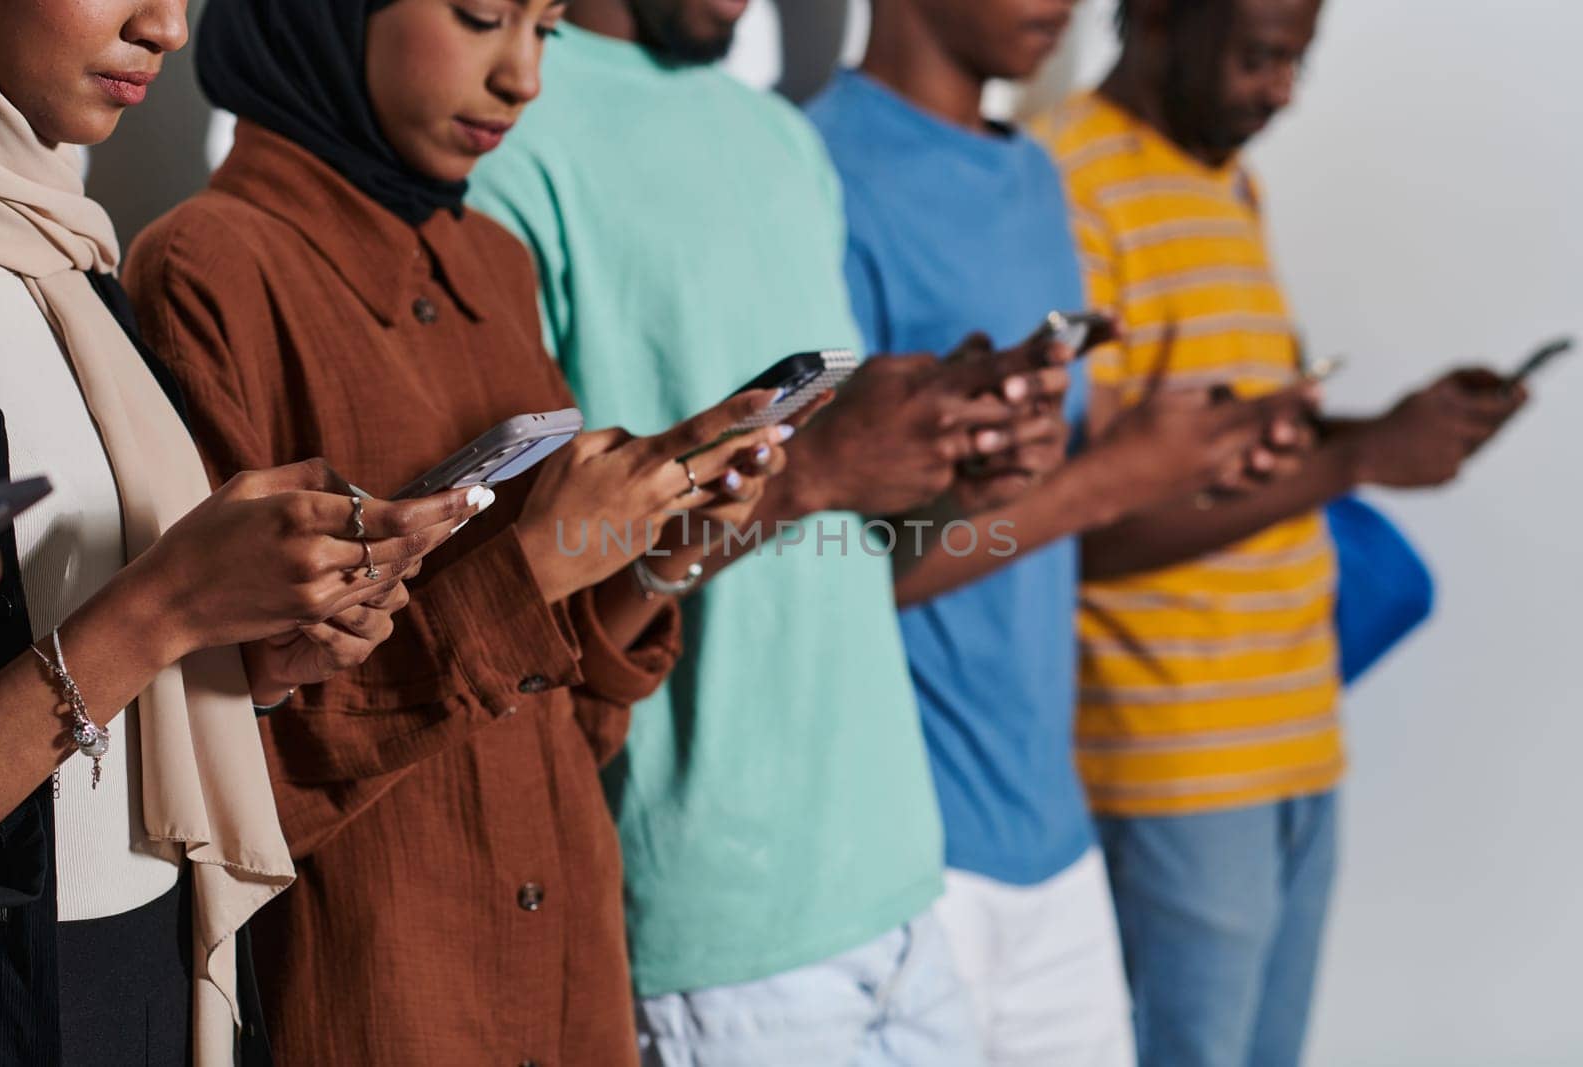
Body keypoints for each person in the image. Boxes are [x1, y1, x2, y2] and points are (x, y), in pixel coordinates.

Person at [124, 1, 795, 1063]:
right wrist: (537, 566)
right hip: (380, 992)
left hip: (571, 979)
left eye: (546, 30)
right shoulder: (206, 269)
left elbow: (563, 717)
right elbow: (216, 762)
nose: (522, 77)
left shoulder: (495, 262)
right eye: (483, 17)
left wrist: (653, 553)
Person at [468, 1, 1073, 1062]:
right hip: (715, 918)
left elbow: (832, 538)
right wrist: (825, 469)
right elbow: (517, 582)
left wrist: (953, 467)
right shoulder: (504, 129)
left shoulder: (779, 141)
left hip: (899, 873)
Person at [807, 1, 1322, 1062]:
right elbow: (824, 559)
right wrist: (1118, 477)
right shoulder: (817, 168)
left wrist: (1175, 454)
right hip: (911, 840)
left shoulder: (1031, 178)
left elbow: (1027, 505)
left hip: (1052, 821)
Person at [0, 2, 478, 1063]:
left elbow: (83, 656)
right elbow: (120, 628)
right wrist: (166, 609)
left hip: (143, 949)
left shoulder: (63, 251)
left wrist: (246, 651)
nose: (166, 26)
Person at [1037, 1, 1528, 1063]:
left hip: (1293, 721)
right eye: (1261, 57)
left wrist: (1394, 430)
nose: (1282, 92)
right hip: (1171, 748)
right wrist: (1353, 462)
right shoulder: (1065, 182)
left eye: (1298, 62)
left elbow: (1232, 444)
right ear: (1162, 19)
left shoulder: (1223, 181)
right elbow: (1076, 515)